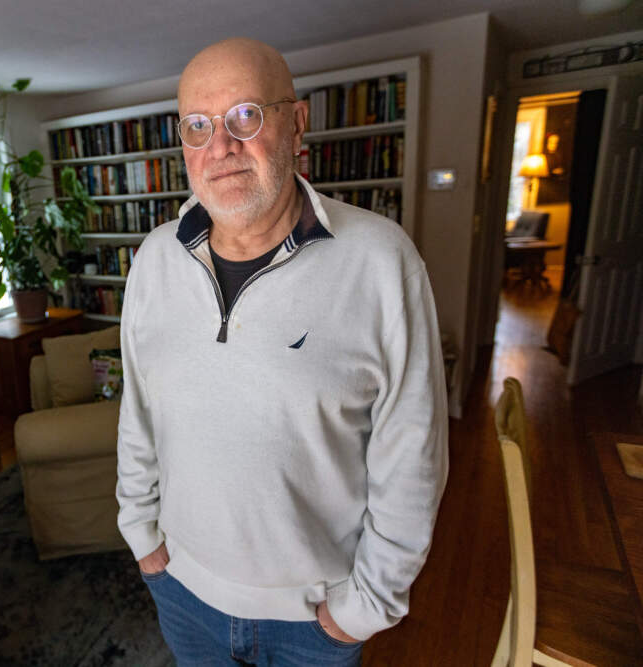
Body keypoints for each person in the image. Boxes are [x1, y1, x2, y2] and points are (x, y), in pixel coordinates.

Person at [115, 37, 449, 666]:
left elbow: (414, 456)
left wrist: (362, 609)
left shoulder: (381, 261)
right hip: (183, 593)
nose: (220, 147)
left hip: (314, 621)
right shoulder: (153, 260)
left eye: (245, 115)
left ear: (297, 124)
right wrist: (141, 535)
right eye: (197, 125)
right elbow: (139, 412)